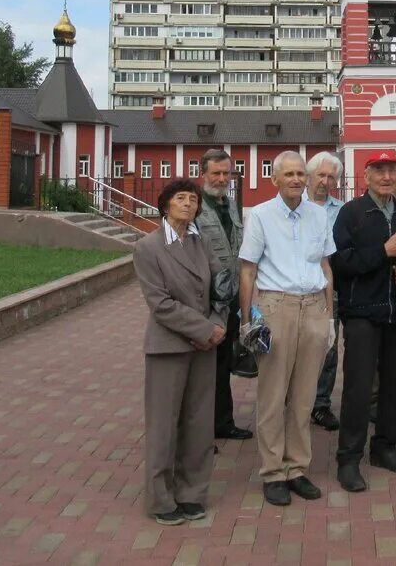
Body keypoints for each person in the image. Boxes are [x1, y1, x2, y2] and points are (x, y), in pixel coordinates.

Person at [238, 152, 336, 506]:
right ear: (275, 179)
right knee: (273, 394)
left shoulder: (318, 214)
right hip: (274, 306)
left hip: (312, 306)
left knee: (304, 395)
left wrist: (329, 317)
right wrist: (246, 320)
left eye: (300, 173)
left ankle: (297, 468)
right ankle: (272, 472)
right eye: (289, 174)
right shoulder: (262, 215)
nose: (297, 179)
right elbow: (247, 270)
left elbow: (325, 265)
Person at [133, 179, 227, 525]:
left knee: (199, 424)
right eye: (180, 198)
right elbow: (160, 303)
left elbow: (222, 287)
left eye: (193, 199)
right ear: (165, 204)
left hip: (205, 348)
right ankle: (161, 499)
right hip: (168, 347)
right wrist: (204, 329)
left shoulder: (200, 243)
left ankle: (192, 493)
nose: (188, 204)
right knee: (163, 426)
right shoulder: (148, 247)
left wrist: (218, 325)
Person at [331, 151, 396, 493]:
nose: (386, 176)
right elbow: (340, 261)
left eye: (391, 171)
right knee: (358, 385)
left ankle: (385, 445)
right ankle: (349, 457)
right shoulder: (351, 213)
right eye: (379, 171)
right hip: (361, 311)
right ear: (366, 176)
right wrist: (382, 253)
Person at [194, 149, 254, 442]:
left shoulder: (230, 205)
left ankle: (222, 422)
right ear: (202, 174)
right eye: (215, 173)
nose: (221, 179)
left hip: (228, 299)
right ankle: (199, 432)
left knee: (222, 364)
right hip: (203, 301)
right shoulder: (193, 206)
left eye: (226, 173)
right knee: (201, 369)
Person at [304, 150, 344, 432]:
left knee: (328, 349)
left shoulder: (342, 211)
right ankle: (294, 401)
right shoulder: (293, 205)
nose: (325, 181)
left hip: (330, 289)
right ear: (309, 176)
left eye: (331, 177)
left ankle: (320, 404)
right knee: (295, 347)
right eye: (321, 175)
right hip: (296, 290)